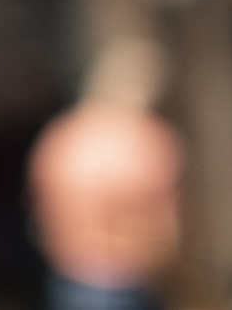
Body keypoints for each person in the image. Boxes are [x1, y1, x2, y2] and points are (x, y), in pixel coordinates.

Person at [31, 38, 185, 310]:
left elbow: (39, 212)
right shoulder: (145, 140)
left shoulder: (60, 137)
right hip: (127, 278)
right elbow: (165, 225)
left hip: (69, 275)